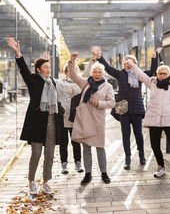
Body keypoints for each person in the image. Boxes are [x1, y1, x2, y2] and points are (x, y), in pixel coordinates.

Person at [7, 38, 64, 195]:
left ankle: (46, 182)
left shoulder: (51, 82)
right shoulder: (33, 81)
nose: (48, 69)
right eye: (45, 67)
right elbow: (24, 69)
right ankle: (32, 181)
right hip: (37, 123)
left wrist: (45, 58)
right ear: (38, 69)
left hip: (52, 120)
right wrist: (17, 52)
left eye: (49, 67)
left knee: (50, 155)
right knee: (36, 154)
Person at [91, 46, 161, 170]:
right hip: (123, 108)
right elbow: (107, 67)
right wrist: (99, 56)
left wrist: (154, 57)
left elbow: (153, 71)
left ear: (134, 64)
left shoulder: (140, 74)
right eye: (125, 62)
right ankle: (127, 159)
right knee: (125, 134)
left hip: (137, 108)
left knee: (138, 133)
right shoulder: (120, 74)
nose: (127, 64)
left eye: (130, 62)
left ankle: (141, 155)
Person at [68, 52, 115, 185]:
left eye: (99, 72)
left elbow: (112, 103)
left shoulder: (108, 87)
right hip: (85, 120)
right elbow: (73, 75)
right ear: (92, 73)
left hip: (98, 120)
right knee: (86, 148)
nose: (97, 74)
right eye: (95, 71)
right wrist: (72, 61)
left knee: (100, 147)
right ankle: (88, 174)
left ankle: (104, 172)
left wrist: (99, 104)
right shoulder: (85, 83)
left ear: (103, 73)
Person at [54, 58, 95, 174]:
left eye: (72, 70)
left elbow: (86, 73)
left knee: (76, 141)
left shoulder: (80, 82)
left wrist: (91, 60)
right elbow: (48, 79)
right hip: (62, 117)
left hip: (75, 117)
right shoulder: (59, 82)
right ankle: (64, 164)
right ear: (65, 71)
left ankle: (78, 163)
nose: (70, 72)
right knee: (63, 142)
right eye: (67, 70)